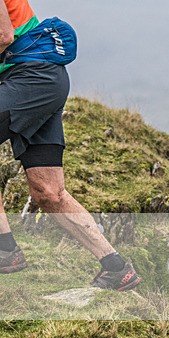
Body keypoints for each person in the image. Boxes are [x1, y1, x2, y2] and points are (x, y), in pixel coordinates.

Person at [0, 0, 139, 290]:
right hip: (44, 78)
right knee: (48, 191)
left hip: (29, 78)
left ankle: (5, 249)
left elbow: (3, 35)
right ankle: (116, 268)